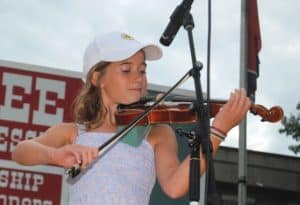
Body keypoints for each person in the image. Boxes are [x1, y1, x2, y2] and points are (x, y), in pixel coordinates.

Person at [12, 31, 251, 205]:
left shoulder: (156, 132)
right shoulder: (73, 132)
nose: (138, 78)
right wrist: (54, 154)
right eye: (126, 70)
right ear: (97, 78)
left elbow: (175, 186)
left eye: (142, 69)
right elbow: (21, 151)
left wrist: (217, 130)